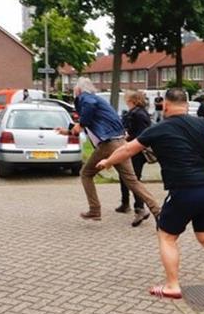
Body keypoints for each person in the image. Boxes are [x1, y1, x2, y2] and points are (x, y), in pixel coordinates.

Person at [96, 88, 204, 299]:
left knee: (167, 236)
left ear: (165, 106)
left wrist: (107, 161)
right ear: (186, 106)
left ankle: (172, 286)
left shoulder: (158, 129)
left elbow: (127, 150)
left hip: (183, 191)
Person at [57, 77, 160, 222]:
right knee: (132, 181)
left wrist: (81, 124)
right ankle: (157, 211)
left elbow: (87, 115)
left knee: (86, 173)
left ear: (79, 89)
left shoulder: (86, 98)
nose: (74, 91)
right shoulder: (98, 103)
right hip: (120, 142)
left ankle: (94, 209)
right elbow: (90, 126)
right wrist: (69, 131)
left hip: (108, 144)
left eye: (75, 88)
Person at [116, 90, 153, 226]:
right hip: (135, 150)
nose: (126, 101)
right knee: (125, 176)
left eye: (127, 99)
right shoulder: (140, 113)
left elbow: (138, 133)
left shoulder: (136, 114)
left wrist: (126, 137)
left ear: (132, 100)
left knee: (133, 179)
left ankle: (140, 208)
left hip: (135, 151)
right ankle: (125, 203)